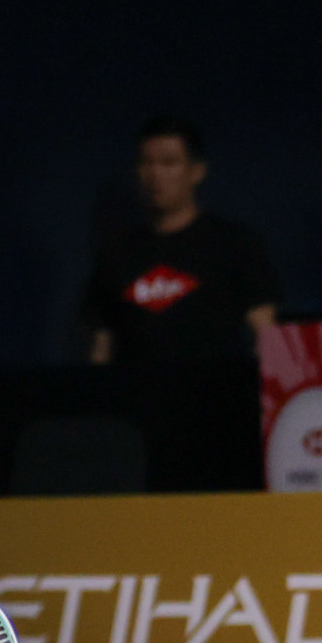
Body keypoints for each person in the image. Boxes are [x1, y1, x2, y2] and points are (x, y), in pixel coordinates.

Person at [83, 115, 281, 491]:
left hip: (216, 423)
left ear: (196, 172)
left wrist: (255, 411)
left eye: (169, 163)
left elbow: (266, 334)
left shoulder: (233, 244)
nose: (155, 175)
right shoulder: (117, 254)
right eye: (147, 163)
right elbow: (100, 348)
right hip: (137, 427)